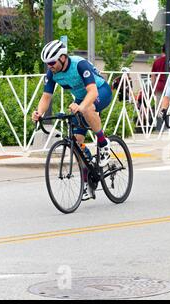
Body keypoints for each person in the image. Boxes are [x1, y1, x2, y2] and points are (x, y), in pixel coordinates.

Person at [31, 39, 113, 201]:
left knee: (87, 108)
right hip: (81, 99)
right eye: (47, 63)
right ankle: (87, 181)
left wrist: (81, 107)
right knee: (77, 143)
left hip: (100, 92)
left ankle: (103, 143)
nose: (50, 66)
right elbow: (46, 97)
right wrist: (38, 112)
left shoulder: (79, 65)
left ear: (62, 57)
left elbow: (93, 92)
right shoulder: (52, 73)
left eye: (52, 62)